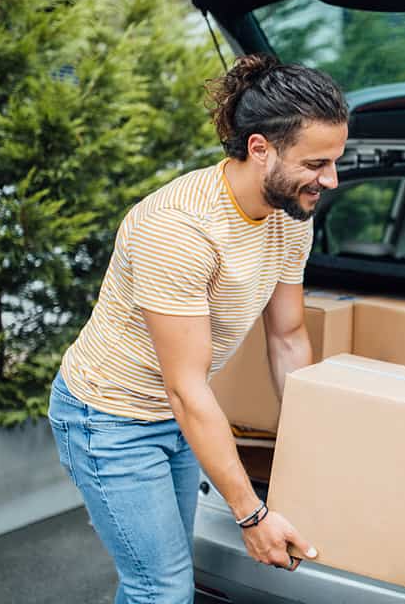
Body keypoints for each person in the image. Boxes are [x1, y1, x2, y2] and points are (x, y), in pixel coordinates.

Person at [47, 53, 349, 603]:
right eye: (316, 163)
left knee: (162, 578)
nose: (330, 179)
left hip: (179, 411)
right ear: (260, 149)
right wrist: (251, 514)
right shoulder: (179, 229)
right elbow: (185, 387)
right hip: (110, 418)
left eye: (335, 161)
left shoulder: (288, 215)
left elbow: (287, 337)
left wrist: (314, 447)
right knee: (160, 588)